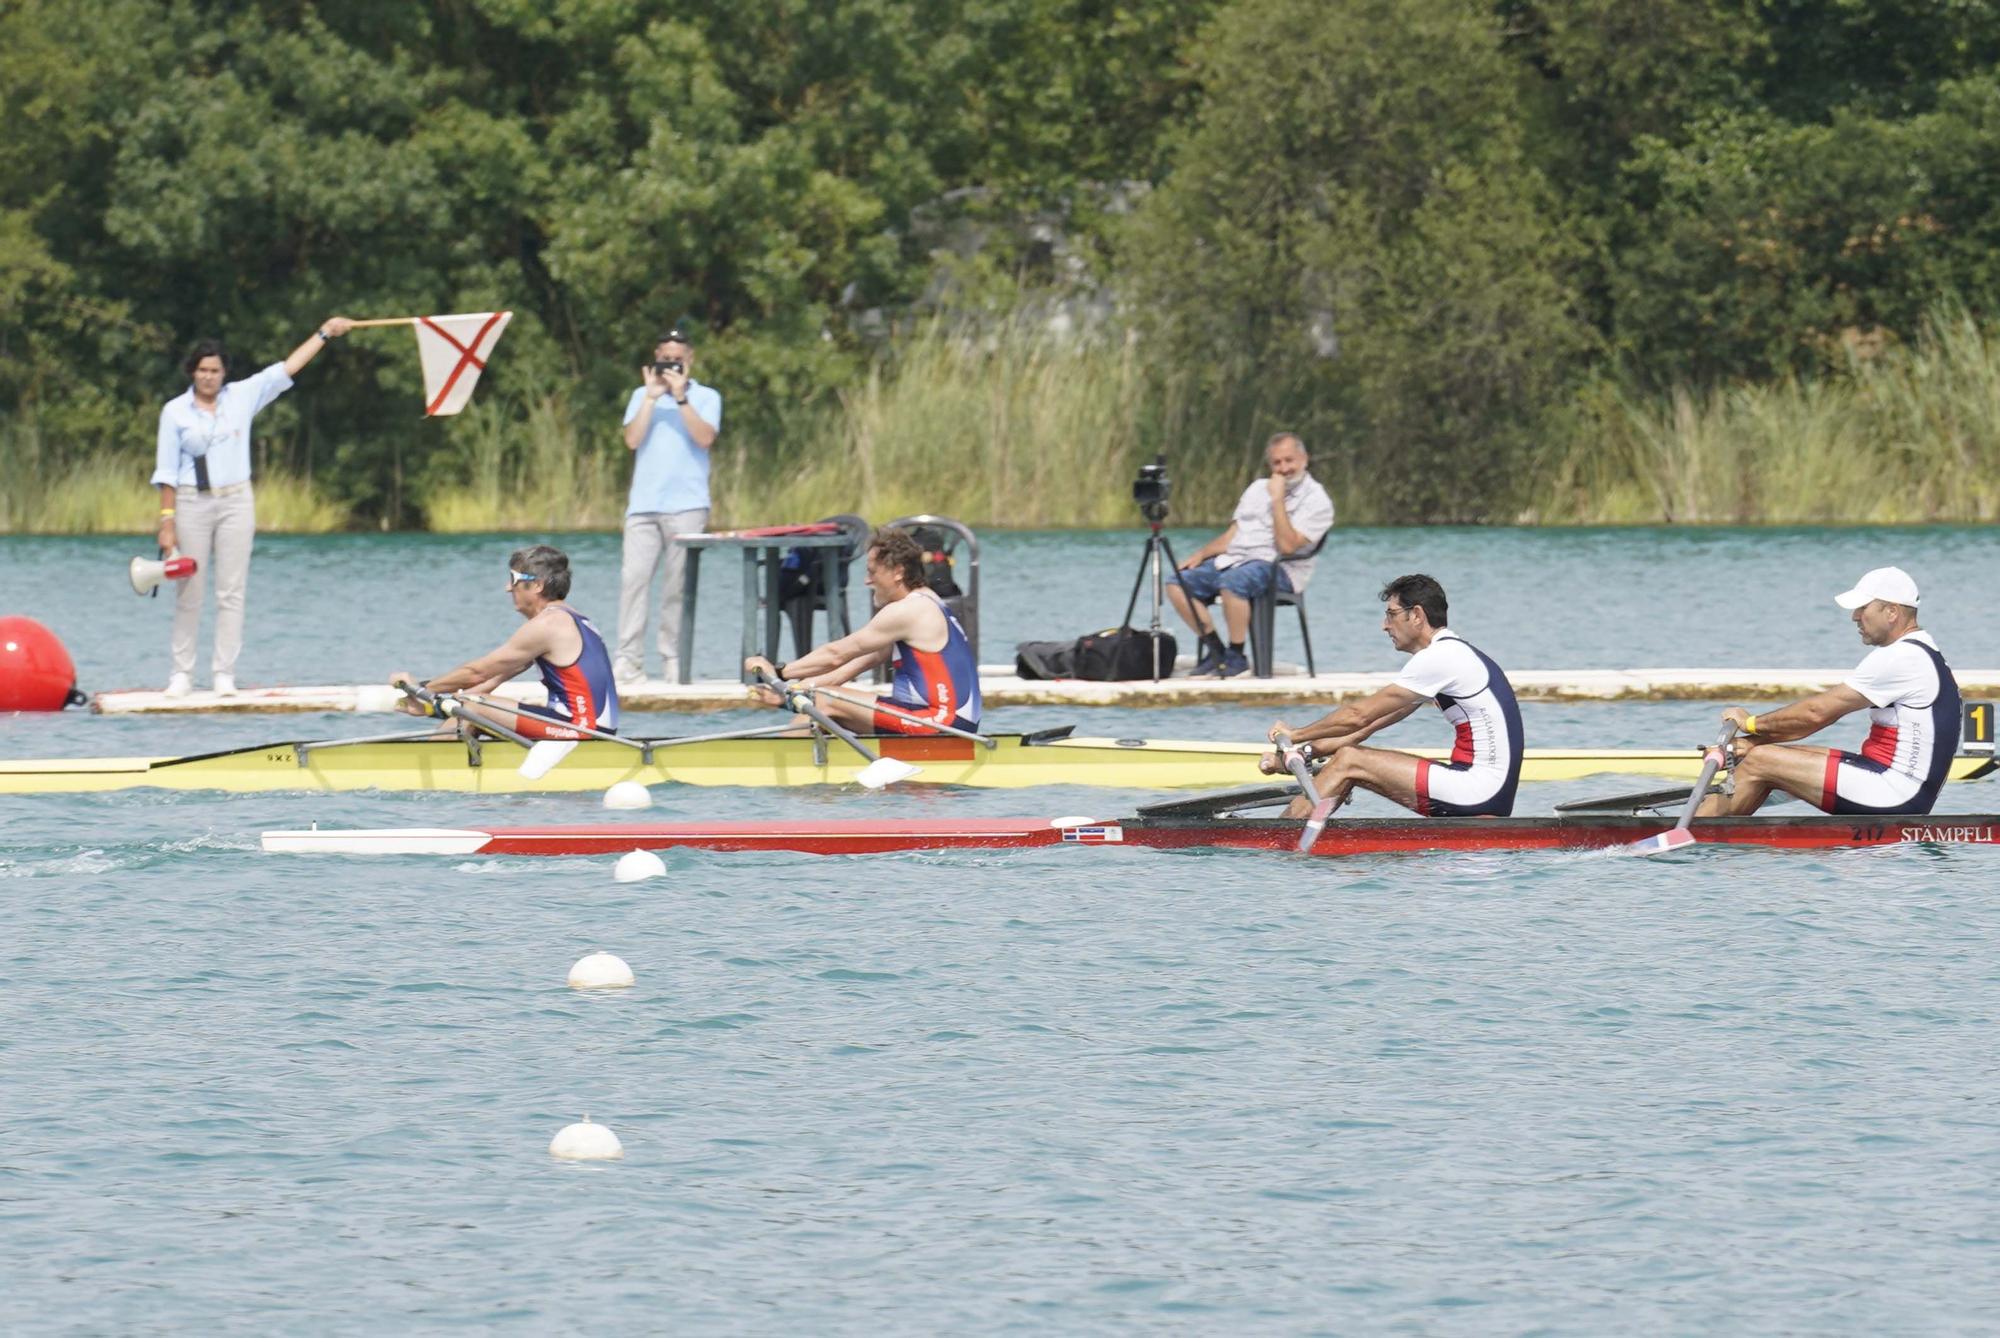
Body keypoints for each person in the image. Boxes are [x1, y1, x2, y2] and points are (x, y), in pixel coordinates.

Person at [152, 317, 355, 695]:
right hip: (192, 502)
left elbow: (288, 368)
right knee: (189, 589)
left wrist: (324, 333)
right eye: (202, 370)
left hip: (236, 500)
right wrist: (167, 522)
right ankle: (181, 673)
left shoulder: (242, 396)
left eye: (215, 370)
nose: (209, 377)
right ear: (192, 372)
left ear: (224, 372)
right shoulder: (175, 412)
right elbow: (166, 470)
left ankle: (223, 673)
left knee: (231, 590)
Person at [1698, 566, 1958, 818]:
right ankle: (1720, 830)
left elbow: (1816, 714)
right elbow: (1814, 718)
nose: (1855, 616)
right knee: (1760, 754)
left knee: (1760, 761)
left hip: (1897, 794)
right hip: (1892, 781)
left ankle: (1698, 834)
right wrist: (1753, 742)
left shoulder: (1901, 656)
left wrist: (1751, 723)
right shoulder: (1919, 650)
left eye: (1863, 608)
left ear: (1891, 611)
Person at [1262, 574, 1523, 818]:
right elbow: (1361, 731)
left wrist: (1295, 734)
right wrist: (1300, 753)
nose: (1384, 626)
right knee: (1350, 757)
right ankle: (1302, 830)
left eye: (1391, 614)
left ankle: (1281, 838)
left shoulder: (1441, 658)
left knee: (1350, 760)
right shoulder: (1449, 657)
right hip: (1483, 790)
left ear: (1417, 615)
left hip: (1479, 790)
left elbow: (1357, 716)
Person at [744, 528, 981, 735]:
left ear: (898, 572)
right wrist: (794, 692)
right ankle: (804, 777)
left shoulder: (908, 610)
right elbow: (853, 666)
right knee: (821, 705)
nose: (867, 581)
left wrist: (779, 672)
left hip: (941, 722)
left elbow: (836, 653)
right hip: (946, 720)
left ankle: (785, 776)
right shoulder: (928, 599)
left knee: (826, 701)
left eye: (872, 572)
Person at [391, 545, 619, 741]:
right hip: (583, 727)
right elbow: (489, 680)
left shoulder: (550, 624)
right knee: (471, 705)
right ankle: (440, 767)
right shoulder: (572, 620)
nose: (508, 588)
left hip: (580, 730)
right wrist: (432, 704)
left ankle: (435, 778)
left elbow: (476, 672)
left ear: (538, 585)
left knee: (474, 705)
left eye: (514, 579)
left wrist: (422, 689)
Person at [1166, 432, 1335, 678]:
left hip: (1280, 569)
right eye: (1277, 463)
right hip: (1237, 560)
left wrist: (1277, 499)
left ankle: (1236, 656)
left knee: (1234, 581)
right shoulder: (1257, 489)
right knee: (1177, 581)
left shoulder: (1317, 500)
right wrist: (1201, 555)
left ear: (1304, 459)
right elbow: (1233, 534)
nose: (1284, 468)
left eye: (1289, 460)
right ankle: (1216, 652)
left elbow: (1288, 547)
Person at [616, 326, 722, 684]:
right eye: (665, 358)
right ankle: (628, 661)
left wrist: (680, 398)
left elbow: (705, 438)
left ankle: (673, 658)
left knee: (677, 586)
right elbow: (631, 440)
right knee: (633, 581)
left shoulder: (707, 397)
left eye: (677, 359)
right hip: (643, 506)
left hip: (687, 505)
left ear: (689, 360)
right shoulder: (640, 396)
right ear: (655, 358)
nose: (671, 364)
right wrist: (650, 398)